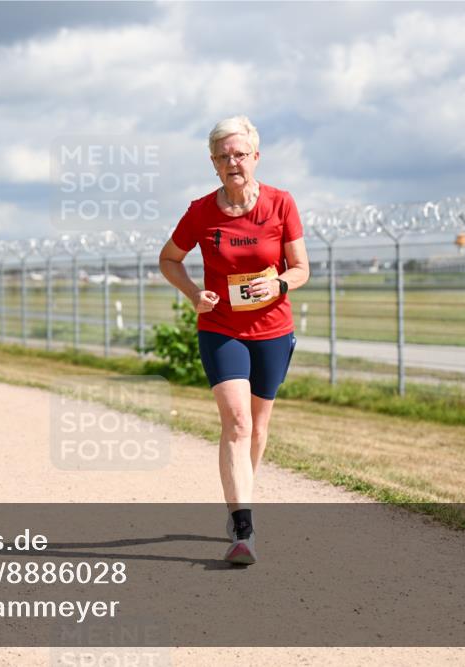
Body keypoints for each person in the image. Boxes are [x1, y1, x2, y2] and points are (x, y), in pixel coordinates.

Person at [158, 115, 310, 565]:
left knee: (258, 429)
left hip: (273, 331)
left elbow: (301, 268)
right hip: (221, 328)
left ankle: (241, 502)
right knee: (237, 423)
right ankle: (243, 529)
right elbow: (169, 260)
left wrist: (280, 284)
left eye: (240, 154)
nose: (233, 162)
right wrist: (193, 293)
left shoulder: (281, 204)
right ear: (213, 163)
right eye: (223, 156)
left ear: (255, 157)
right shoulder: (201, 212)